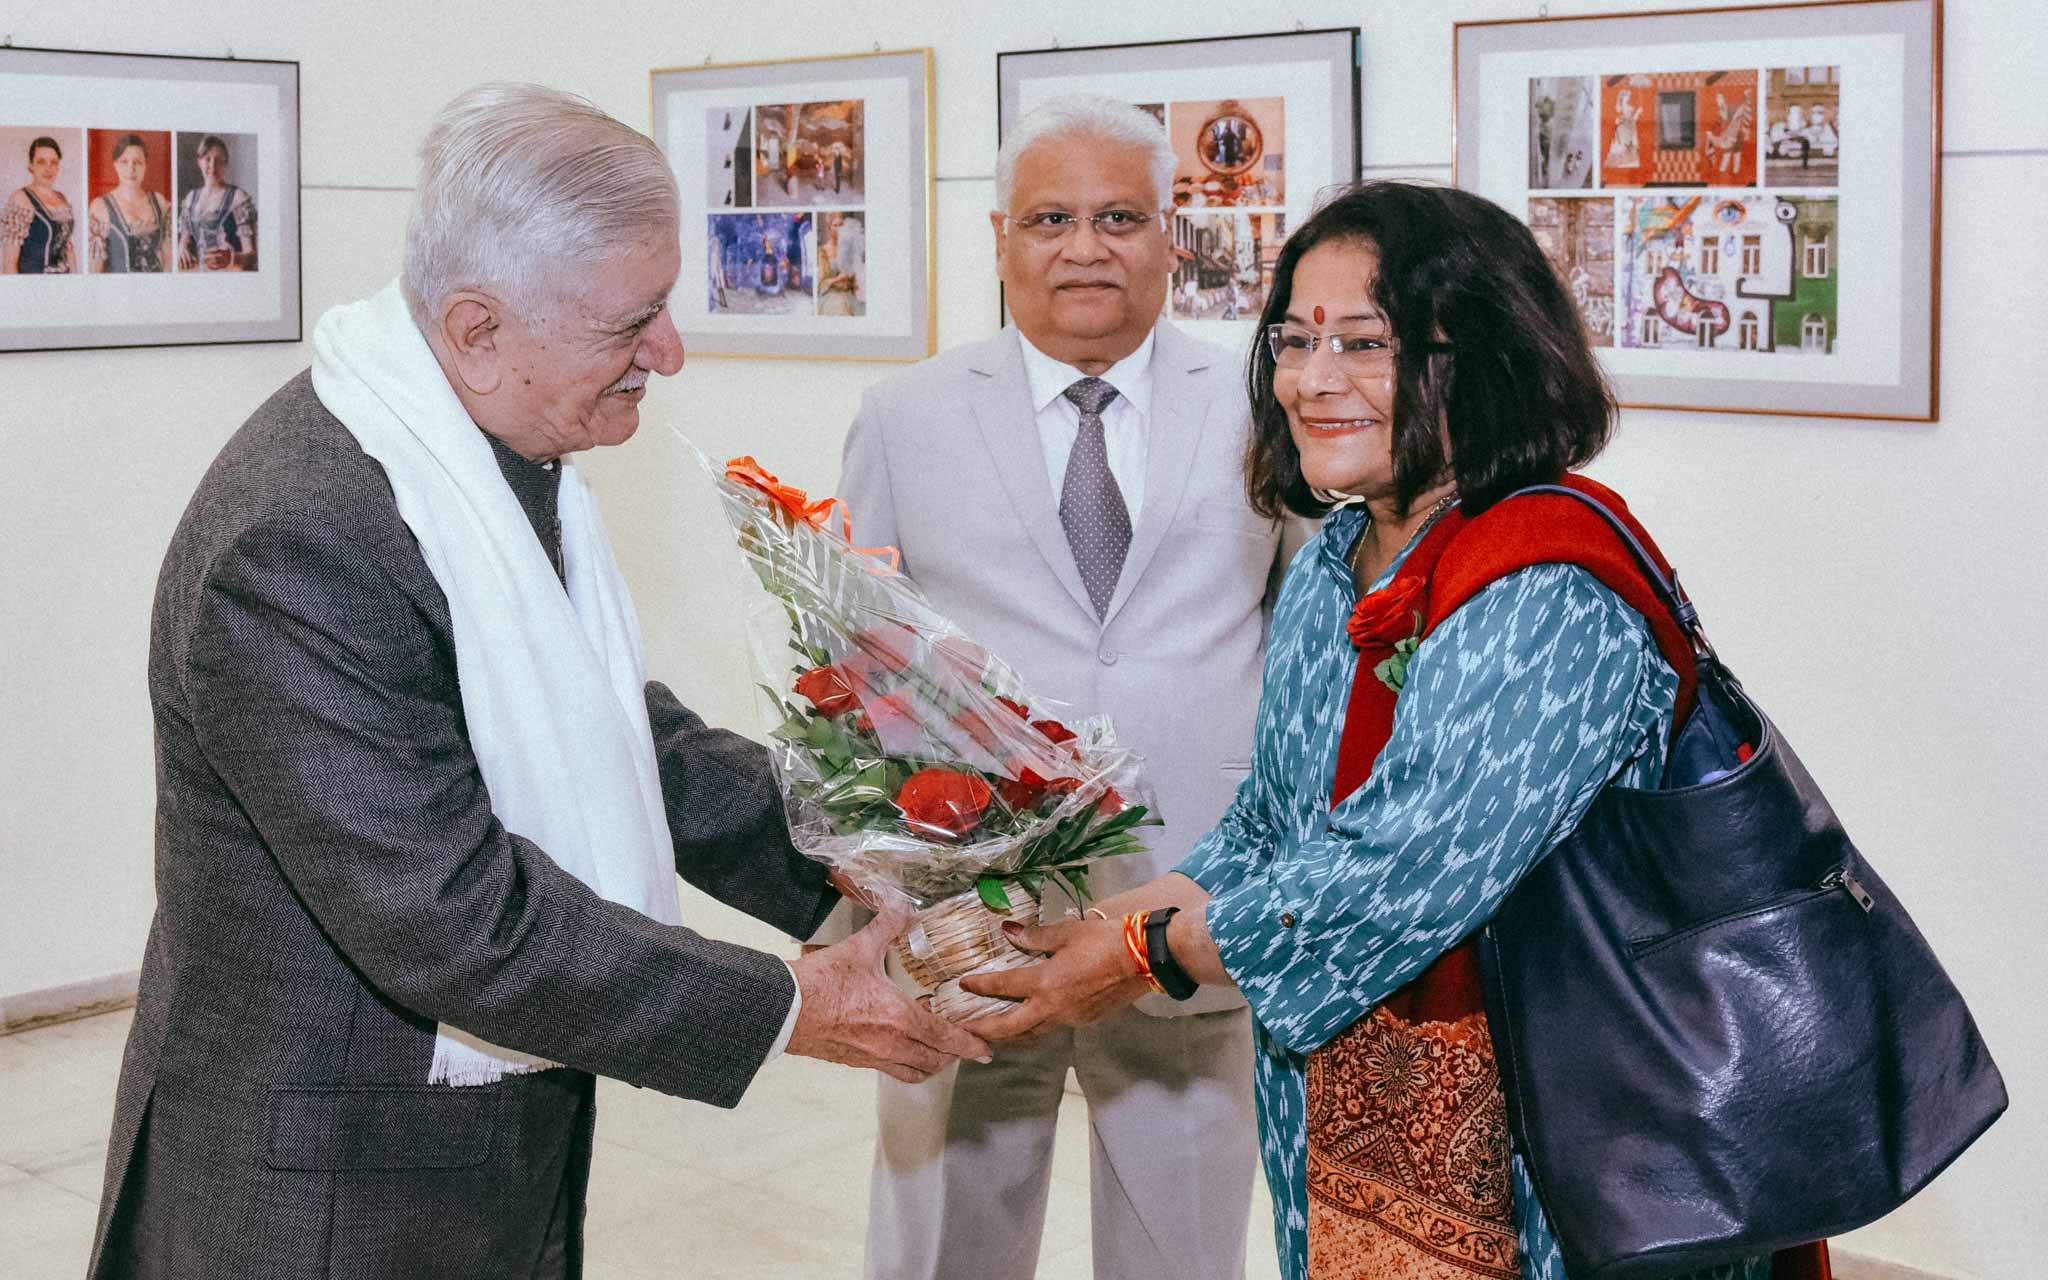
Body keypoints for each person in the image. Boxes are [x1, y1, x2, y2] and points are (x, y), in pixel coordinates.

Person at [86, 82, 986, 1280]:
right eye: (634, 322)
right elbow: (452, 916)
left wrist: (879, 859)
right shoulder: (302, 538)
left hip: (480, 1144)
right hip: (324, 1195)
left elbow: (620, 739)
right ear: (477, 330)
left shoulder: (478, 454)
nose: (669, 352)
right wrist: (797, 1001)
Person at [965, 182, 1821, 1280]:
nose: (1311, 380)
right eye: (1294, 339)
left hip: (1571, 1128)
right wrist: (1085, 930)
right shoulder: (1339, 558)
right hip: (1343, 1107)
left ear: (1486, 359)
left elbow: (1396, 879)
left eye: (1365, 343)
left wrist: (1136, 958)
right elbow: (1274, 827)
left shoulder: (1544, 588)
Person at [824, 93, 1293, 1280]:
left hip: (1187, 906)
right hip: (969, 917)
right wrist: (875, 877)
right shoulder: (904, 416)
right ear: (999, 239)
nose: (1085, 247)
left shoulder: (1262, 407)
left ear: (1170, 235)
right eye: (1049, 219)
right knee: (945, 1246)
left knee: (1182, 1254)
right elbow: (852, 663)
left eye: (1119, 217)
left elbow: (1306, 651)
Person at [175, 134, 258, 271]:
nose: (212, 166)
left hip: (231, 274)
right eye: (207, 159)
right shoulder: (191, 198)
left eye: (219, 161)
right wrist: (182, 250)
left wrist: (231, 259)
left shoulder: (238, 197)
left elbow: (252, 256)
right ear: (199, 162)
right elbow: (184, 241)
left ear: (225, 164)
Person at [89, 132, 169, 273]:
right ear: (115, 165)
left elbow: (168, 256)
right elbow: (95, 269)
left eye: (138, 162)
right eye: (124, 162)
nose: (131, 169)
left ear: (145, 165)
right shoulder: (101, 206)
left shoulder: (159, 201)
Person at [1, 134, 74, 274]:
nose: (48, 168)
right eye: (41, 162)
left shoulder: (62, 198)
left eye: (53, 162)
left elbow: (68, 249)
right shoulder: (21, 198)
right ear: (31, 165)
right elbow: (9, 263)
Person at [817, 210, 864, 316]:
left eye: (841, 225)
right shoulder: (824, 251)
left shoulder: (849, 248)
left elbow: (854, 280)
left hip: (849, 295)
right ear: (829, 228)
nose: (838, 229)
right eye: (835, 225)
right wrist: (838, 278)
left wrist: (855, 283)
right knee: (841, 307)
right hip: (832, 295)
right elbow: (820, 285)